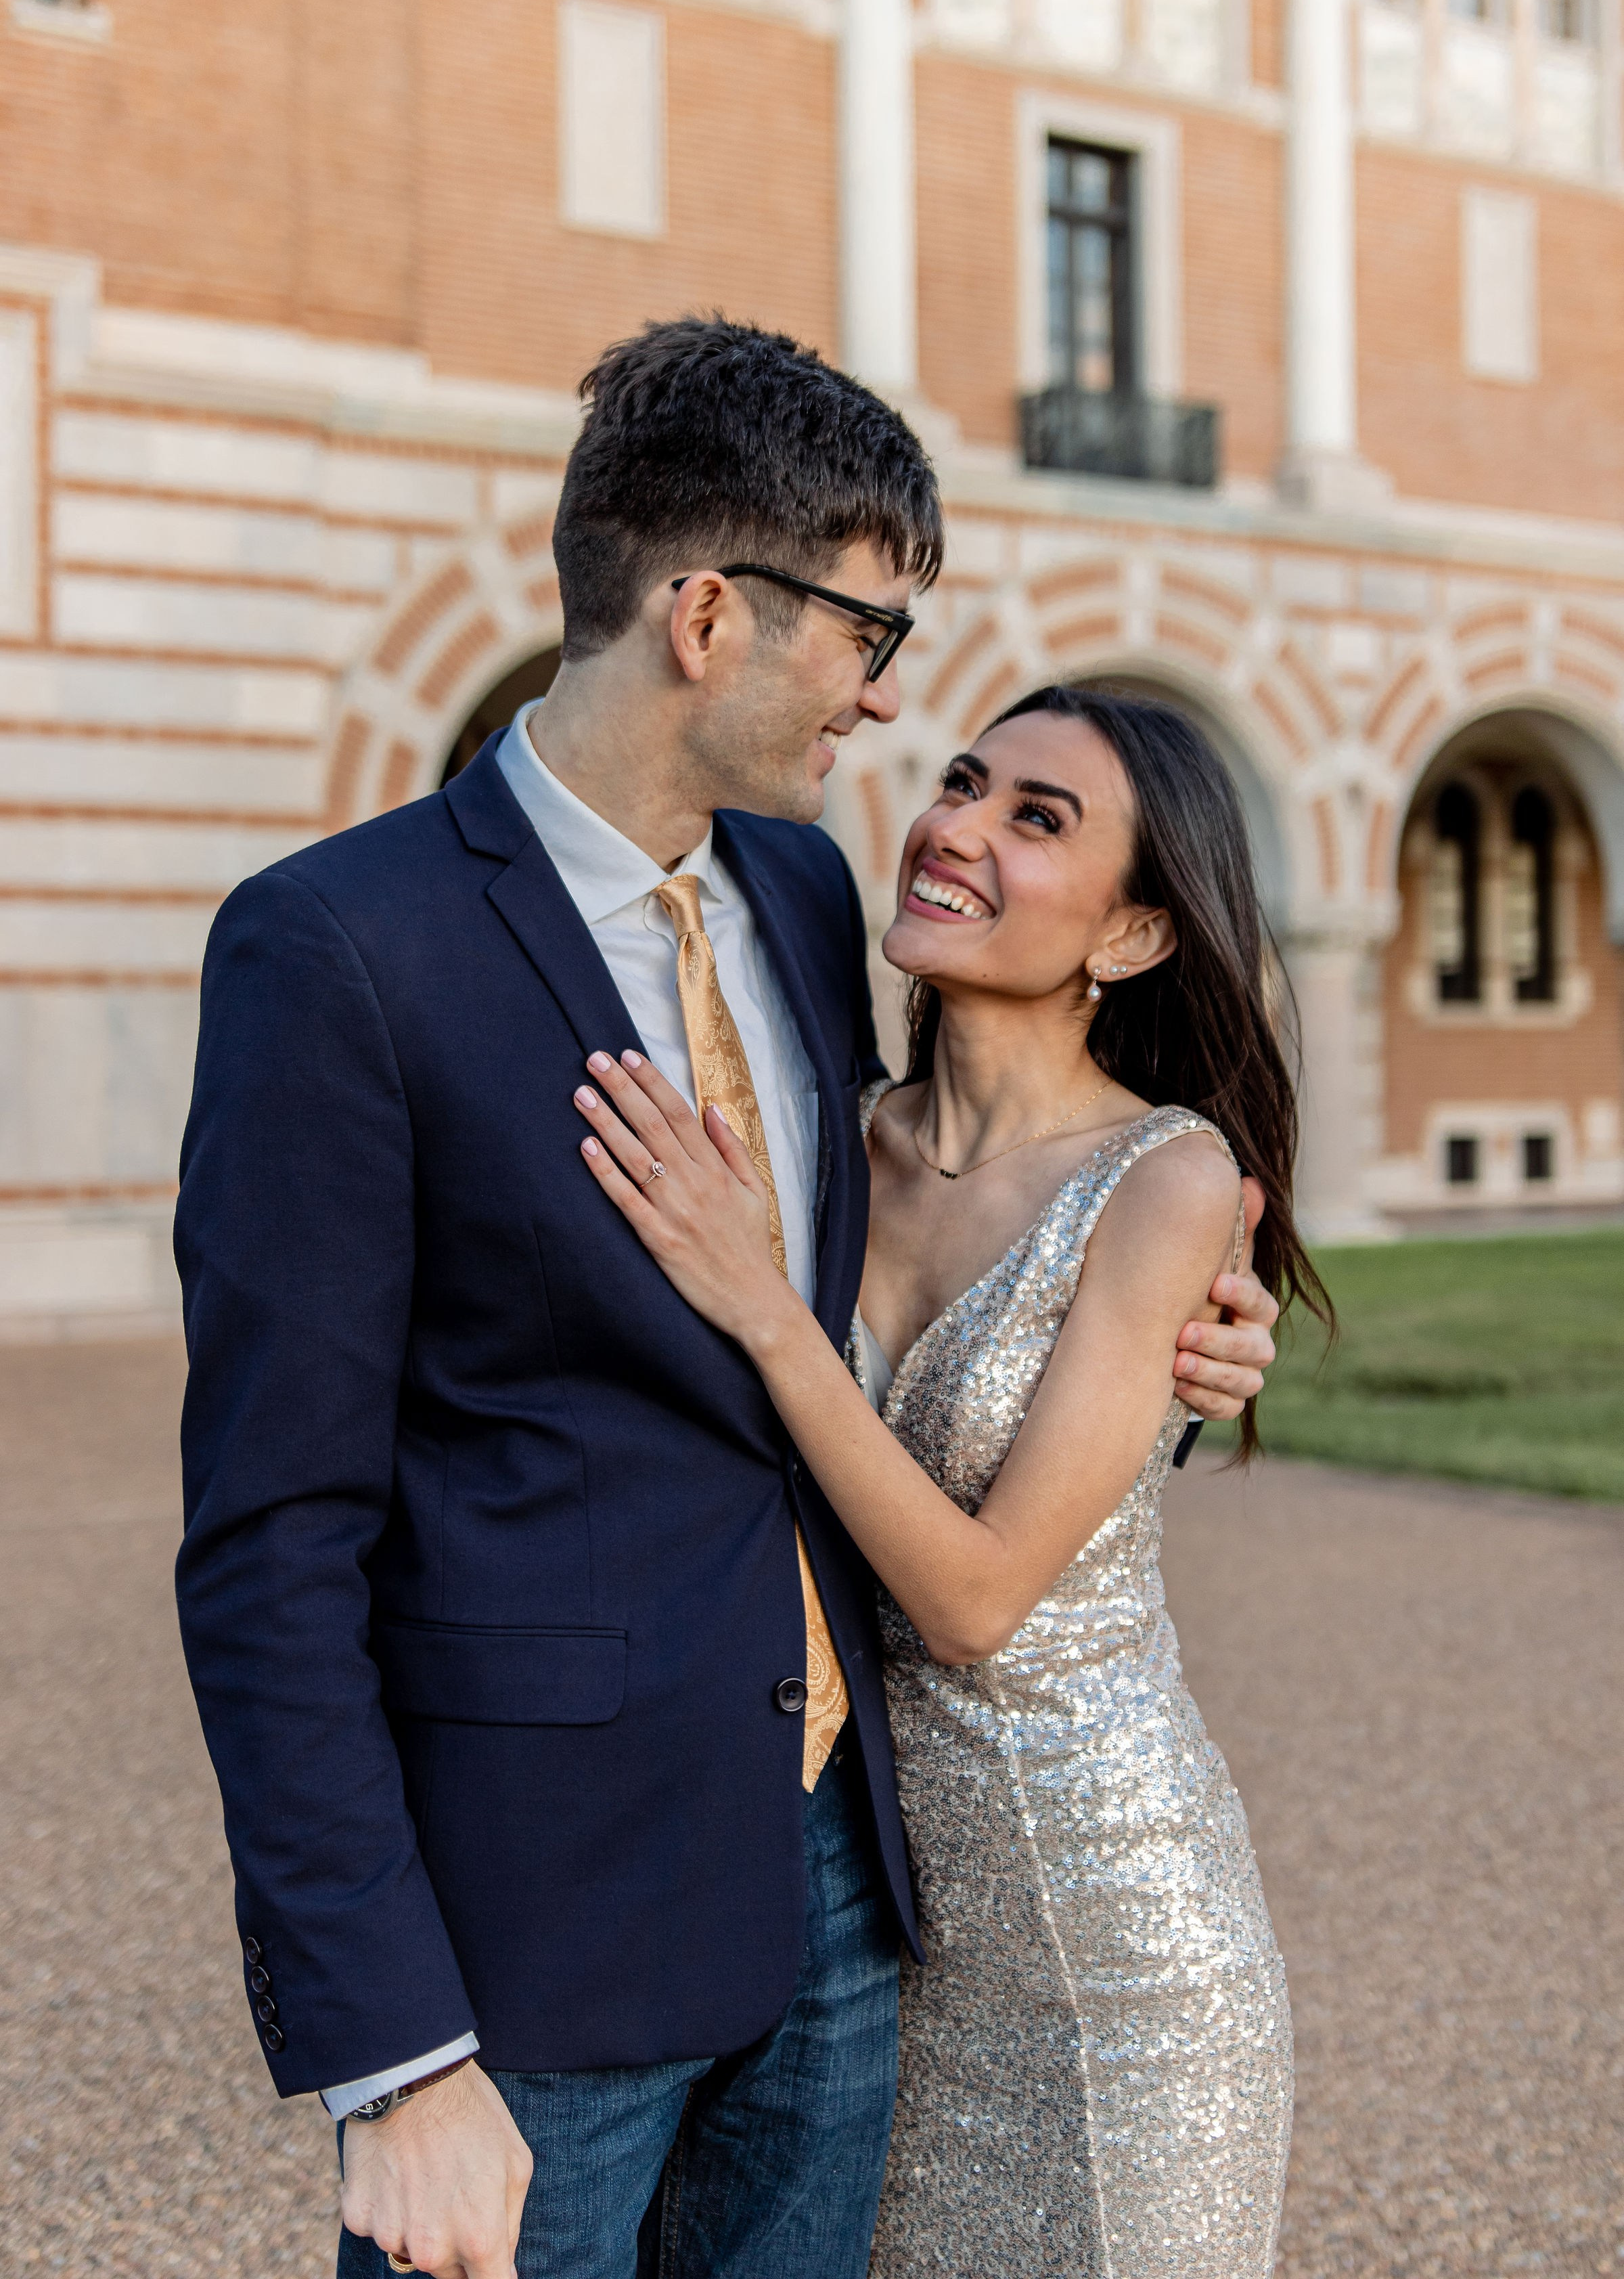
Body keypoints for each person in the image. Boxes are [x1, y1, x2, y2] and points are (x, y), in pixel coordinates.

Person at [173, 320, 1280, 2279]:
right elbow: (274, 1545)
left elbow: (913, 1279)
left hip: (857, 1914)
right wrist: (394, 2054)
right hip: (543, 1946)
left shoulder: (796, 895)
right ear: (707, 614)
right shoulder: (338, 948)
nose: (879, 705)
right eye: (869, 638)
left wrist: (1187, 1346)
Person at [570, 681, 1327, 2278]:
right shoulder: (824, 1139)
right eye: (967, 783)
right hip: (878, 1934)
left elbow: (977, 1603)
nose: (957, 829)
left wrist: (768, 1310)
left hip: (1122, 1946)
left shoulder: (1170, 1179)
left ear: (1131, 939)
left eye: (1036, 820)